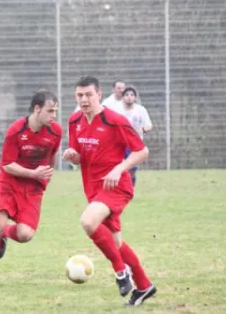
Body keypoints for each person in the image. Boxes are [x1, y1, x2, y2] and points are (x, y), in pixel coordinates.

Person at [63, 76, 156, 306]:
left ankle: (120, 273)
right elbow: (79, 155)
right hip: (92, 189)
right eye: (79, 95)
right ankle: (144, 286)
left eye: (88, 95)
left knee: (87, 222)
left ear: (99, 94)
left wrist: (119, 168)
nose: (84, 99)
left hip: (116, 186)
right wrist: (72, 157)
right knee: (115, 244)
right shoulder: (74, 120)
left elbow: (141, 152)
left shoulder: (115, 120)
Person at [0, 90, 62, 287]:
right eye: (50, 111)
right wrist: (34, 173)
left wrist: (46, 177)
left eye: (56, 111)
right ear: (37, 109)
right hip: (9, 182)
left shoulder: (55, 131)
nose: (54, 115)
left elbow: (52, 155)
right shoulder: (16, 130)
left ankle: (6, 234)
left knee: (25, 235)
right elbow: (7, 165)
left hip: (33, 188)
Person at [120, 87, 153, 185]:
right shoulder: (118, 110)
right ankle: (123, 190)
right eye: (126, 95)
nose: (129, 97)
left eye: (132, 95)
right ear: (123, 97)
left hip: (135, 144)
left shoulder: (141, 110)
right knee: (121, 169)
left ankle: (130, 189)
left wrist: (142, 130)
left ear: (135, 97)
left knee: (132, 170)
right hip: (121, 144)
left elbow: (149, 125)